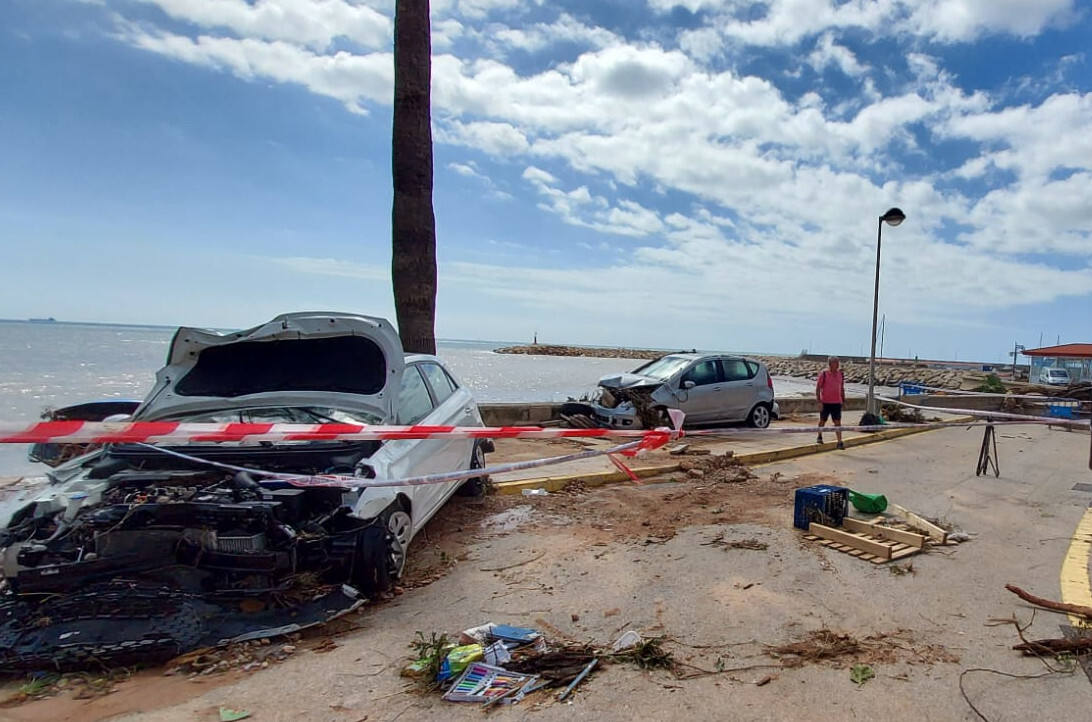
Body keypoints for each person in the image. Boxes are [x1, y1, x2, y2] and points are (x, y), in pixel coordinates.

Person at [815, 356, 846, 449]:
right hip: (825, 402)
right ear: (830, 364)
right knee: (822, 421)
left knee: (837, 422)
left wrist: (843, 400)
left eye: (838, 362)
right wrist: (819, 401)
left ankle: (839, 442)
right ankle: (819, 436)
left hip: (837, 403)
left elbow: (841, 388)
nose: (837, 364)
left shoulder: (840, 374)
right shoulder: (824, 374)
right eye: (835, 363)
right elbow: (818, 388)